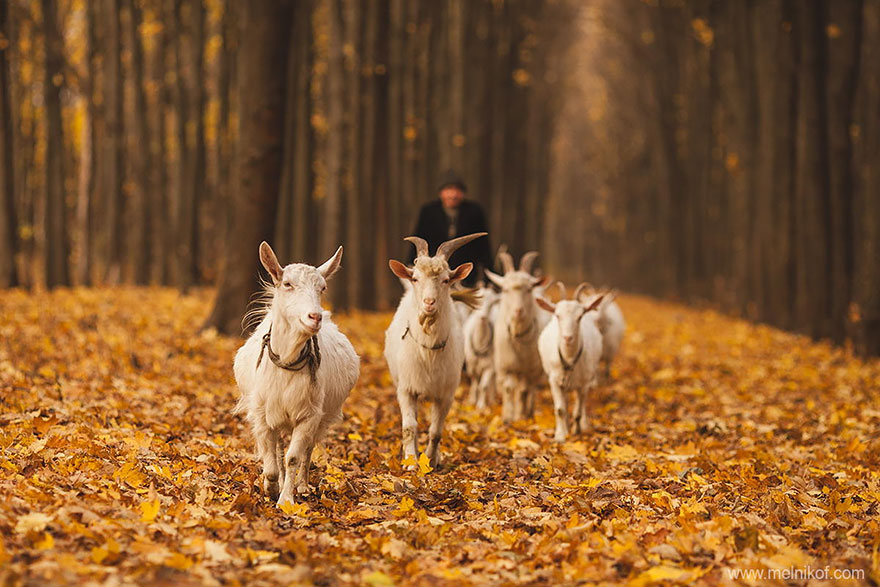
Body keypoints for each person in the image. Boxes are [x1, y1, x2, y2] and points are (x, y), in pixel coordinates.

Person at [408, 170, 492, 287]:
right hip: (433, 277)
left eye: (457, 190)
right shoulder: (429, 212)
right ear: (441, 192)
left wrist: (488, 277)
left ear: (463, 193)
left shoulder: (474, 212)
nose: (453, 195)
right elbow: (418, 238)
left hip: (465, 277)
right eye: (448, 190)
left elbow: (483, 246)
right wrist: (410, 265)